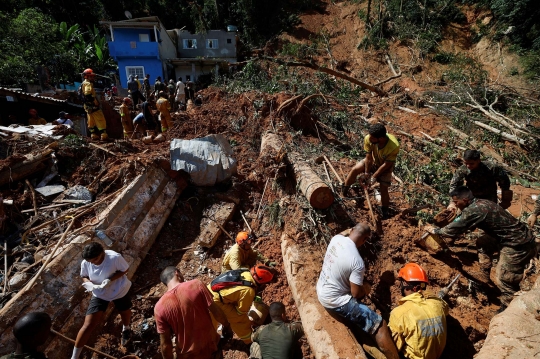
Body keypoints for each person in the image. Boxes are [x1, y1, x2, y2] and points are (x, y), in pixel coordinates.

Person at [426, 186, 537, 310]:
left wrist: (436, 230)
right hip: (512, 237)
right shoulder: (481, 203)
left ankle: (508, 307)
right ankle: (484, 274)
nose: (456, 205)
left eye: (457, 202)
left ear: (466, 200)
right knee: (483, 242)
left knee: (503, 277)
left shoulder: (475, 209)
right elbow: (465, 223)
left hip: (518, 244)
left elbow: (455, 228)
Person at [316, 223, 399, 359]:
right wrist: (365, 289)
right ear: (365, 239)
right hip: (334, 301)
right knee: (380, 325)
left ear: (352, 230)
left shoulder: (336, 239)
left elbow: (343, 233)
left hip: (321, 288)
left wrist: (351, 230)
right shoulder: (357, 262)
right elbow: (356, 294)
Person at [154, 266, 232, 359]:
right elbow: (216, 311)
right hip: (211, 346)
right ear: (177, 273)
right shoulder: (196, 285)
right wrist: (227, 326)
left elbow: (165, 344)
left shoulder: (159, 307)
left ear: (165, 283)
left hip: (188, 356)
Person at [71, 242, 133, 359]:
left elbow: (124, 269)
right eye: (90, 261)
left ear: (102, 253)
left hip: (118, 289)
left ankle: (126, 328)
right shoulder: (86, 262)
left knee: (124, 311)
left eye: (96, 259)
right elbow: (84, 275)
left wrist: (110, 279)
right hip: (99, 293)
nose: (93, 262)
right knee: (88, 324)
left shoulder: (114, 258)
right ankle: (74, 357)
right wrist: (88, 283)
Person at [388, 263, 448, 359]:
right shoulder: (438, 304)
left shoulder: (399, 313)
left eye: (401, 281)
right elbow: (445, 308)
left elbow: (394, 348)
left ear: (405, 284)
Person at [343, 123, 400, 219]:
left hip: (385, 166)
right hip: (373, 161)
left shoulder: (393, 146)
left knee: (384, 188)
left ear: (381, 138)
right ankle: (344, 190)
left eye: (372, 138)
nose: (369, 139)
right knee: (354, 169)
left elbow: (387, 164)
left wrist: (374, 177)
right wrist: (366, 173)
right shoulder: (368, 138)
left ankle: (384, 211)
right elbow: (368, 158)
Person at [208, 265, 275, 344]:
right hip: (217, 300)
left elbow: (235, 289)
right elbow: (241, 311)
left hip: (209, 290)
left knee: (211, 320)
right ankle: (249, 341)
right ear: (261, 281)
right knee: (241, 320)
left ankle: (211, 338)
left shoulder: (245, 271)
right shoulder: (248, 291)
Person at [81, 68, 108, 140]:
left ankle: (93, 135)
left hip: (87, 107)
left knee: (91, 121)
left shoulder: (83, 84)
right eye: (91, 76)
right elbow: (87, 94)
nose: (93, 78)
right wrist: (93, 102)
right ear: (87, 76)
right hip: (93, 106)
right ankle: (104, 135)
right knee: (100, 119)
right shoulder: (88, 84)